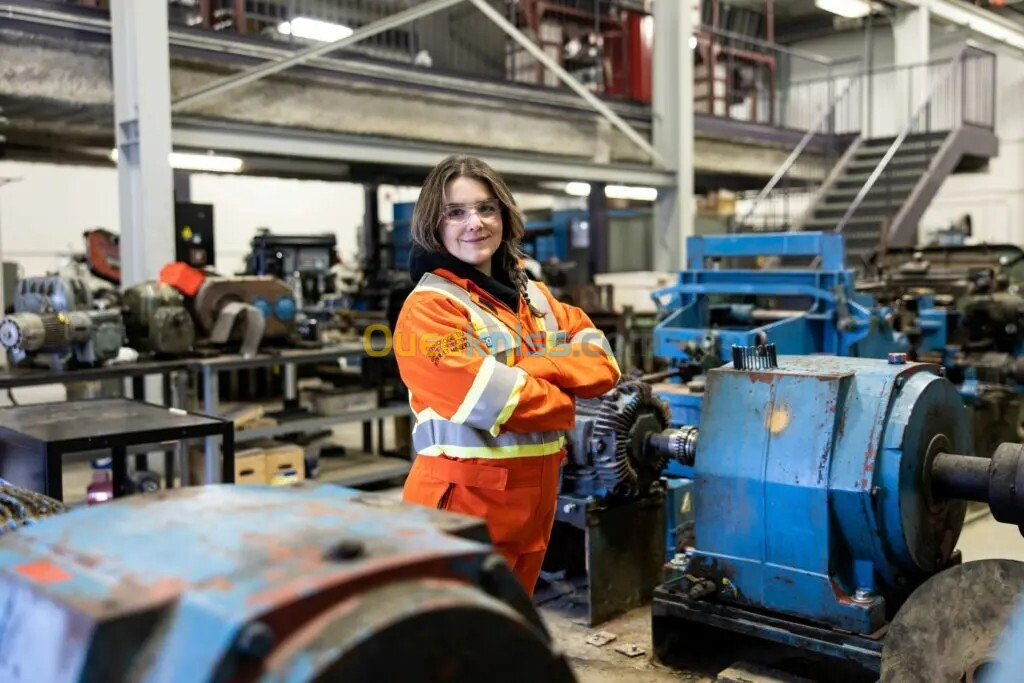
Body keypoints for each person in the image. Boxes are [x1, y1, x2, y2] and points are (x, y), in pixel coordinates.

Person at [395, 155, 621, 595]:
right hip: (462, 510)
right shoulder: (430, 309)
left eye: (486, 208)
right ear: (433, 226)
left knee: (508, 640)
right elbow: (492, 399)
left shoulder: (533, 297)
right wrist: (564, 396)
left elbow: (603, 360)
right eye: (455, 213)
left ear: (504, 214)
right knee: (461, 647)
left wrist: (526, 371)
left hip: (534, 503)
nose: (474, 223)